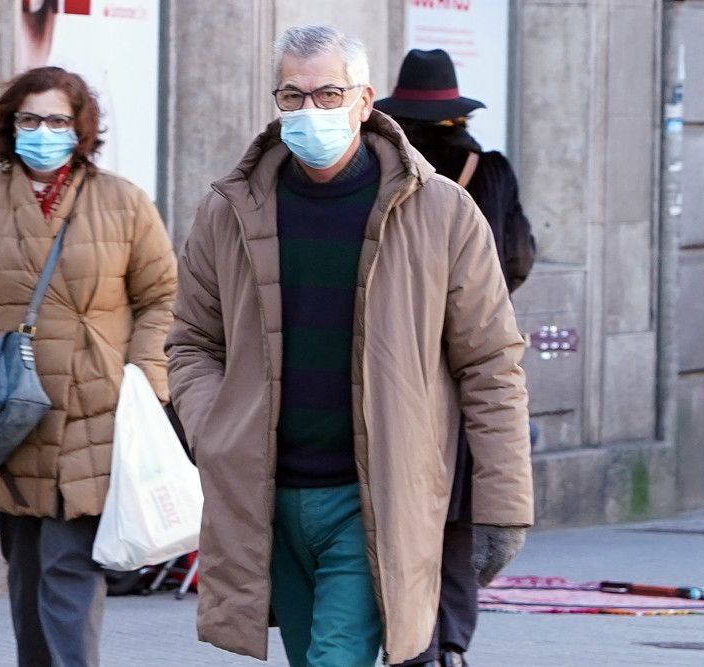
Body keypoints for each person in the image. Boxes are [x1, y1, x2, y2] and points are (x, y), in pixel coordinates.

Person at [165, 25, 534, 667]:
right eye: (293, 96)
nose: (310, 112)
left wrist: (504, 504)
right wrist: (216, 428)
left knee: (337, 657)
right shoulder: (229, 211)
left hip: (375, 498)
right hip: (268, 495)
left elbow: (491, 364)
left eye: (328, 93)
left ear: (365, 103)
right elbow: (192, 342)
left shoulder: (440, 212)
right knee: (315, 656)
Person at [0, 66, 177, 666]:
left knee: (68, 570)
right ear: (9, 126)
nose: (43, 131)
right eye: (30, 119)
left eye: (58, 120)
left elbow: (164, 296)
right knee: (26, 571)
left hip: (91, 414)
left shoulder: (122, 201)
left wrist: (141, 376)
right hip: (4, 416)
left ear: (80, 128)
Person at [375, 48, 536, 667]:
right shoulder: (487, 170)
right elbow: (518, 255)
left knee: (404, 503)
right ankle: (450, 641)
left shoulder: (385, 168)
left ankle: (405, 636)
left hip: (399, 357)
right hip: (467, 358)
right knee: (462, 510)